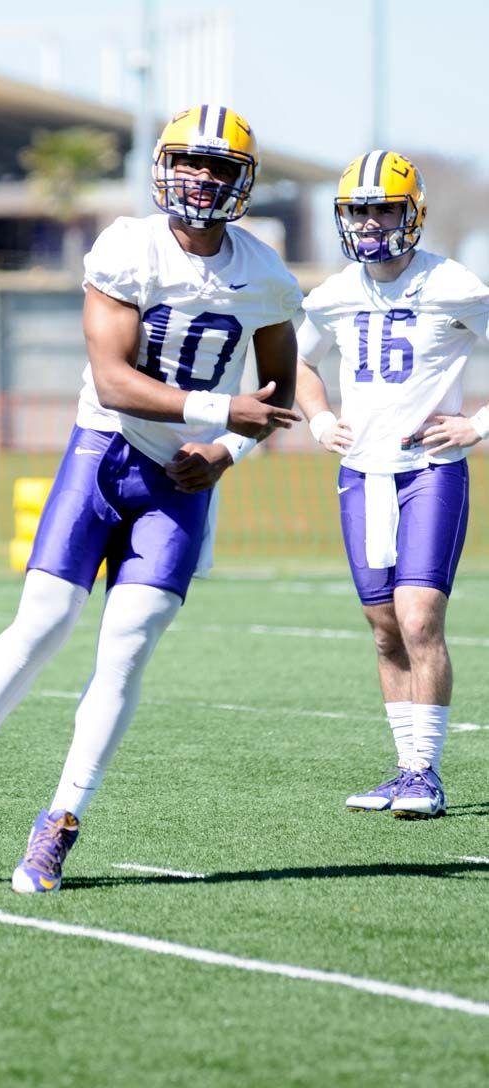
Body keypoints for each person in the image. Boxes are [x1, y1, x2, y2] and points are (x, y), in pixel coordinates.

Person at [0, 104, 303, 891]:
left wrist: (224, 452)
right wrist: (220, 414)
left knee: (129, 646)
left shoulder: (267, 273)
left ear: (243, 181)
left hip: (179, 482)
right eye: (190, 161)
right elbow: (115, 382)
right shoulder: (126, 245)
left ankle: (61, 820)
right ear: (162, 166)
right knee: (42, 622)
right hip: (103, 454)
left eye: (219, 167)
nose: (202, 178)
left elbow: (273, 395)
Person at [296, 149, 489, 818]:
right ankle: (406, 768)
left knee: (419, 619)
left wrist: (479, 424)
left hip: (430, 470)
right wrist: (319, 418)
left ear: (414, 214)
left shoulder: (455, 284)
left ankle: (426, 775)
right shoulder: (336, 292)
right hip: (362, 475)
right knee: (384, 630)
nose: (371, 222)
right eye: (359, 210)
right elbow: (298, 361)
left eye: (383, 208)